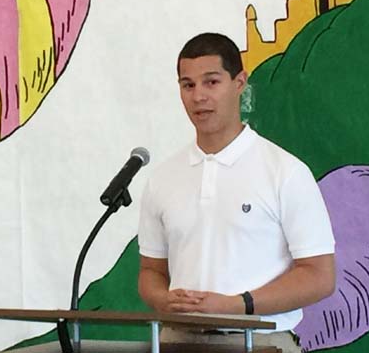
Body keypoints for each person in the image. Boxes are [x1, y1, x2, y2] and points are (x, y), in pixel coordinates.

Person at [137, 33, 335, 352]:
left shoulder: (285, 171)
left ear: (239, 82)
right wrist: (164, 300)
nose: (198, 96)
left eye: (211, 82)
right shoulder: (163, 178)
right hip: (176, 340)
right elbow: (151, 271)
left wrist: (237, 305)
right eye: (188, 85)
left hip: (261, 341)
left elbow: (319, 276)